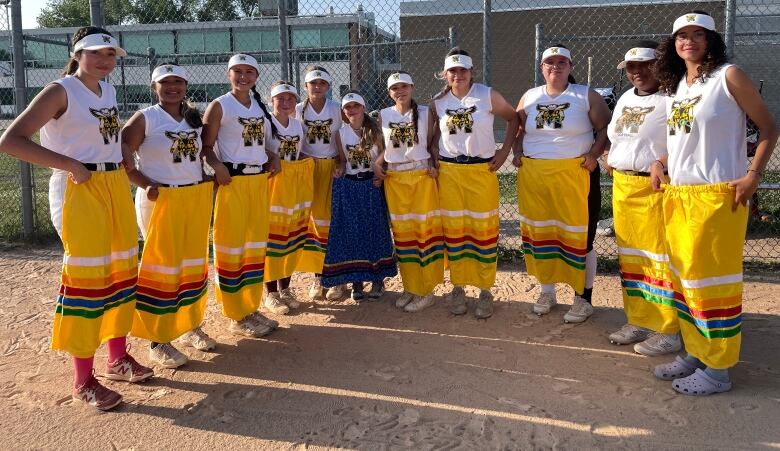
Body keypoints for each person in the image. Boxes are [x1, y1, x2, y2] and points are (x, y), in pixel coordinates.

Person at [0, 27, 153, 410]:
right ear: (78, 53)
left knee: (121, 271)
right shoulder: (60, 90)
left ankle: (117, 357)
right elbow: (11, 140)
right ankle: (83, 379)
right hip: (79, 188)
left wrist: (122, 155)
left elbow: (104, 136)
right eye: (97, 53)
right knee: (87, 280)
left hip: (113, 184)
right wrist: (69, 163)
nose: (105, 60)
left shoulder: (109, 91)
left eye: (111, 55)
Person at [650, 12, 777, 395]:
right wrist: (660, 162)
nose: (689, 41)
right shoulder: (678, 87)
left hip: (718, 196)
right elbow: (683, 142)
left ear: (711, 40)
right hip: (680, 196)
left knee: (713, 285)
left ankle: (718, 370)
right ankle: (694, 352)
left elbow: (769, 128)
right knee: (685, 281)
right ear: (673, 44)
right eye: (681, 35)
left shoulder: (728, 76)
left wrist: (754, 175)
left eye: (697, 34)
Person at [121, 63, 215, 369]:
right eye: (166, 82)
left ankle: (188, 325)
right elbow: (124, 157)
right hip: (159, 198)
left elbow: (199, 157)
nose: (173, 87)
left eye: (178, 82)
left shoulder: (193, 118)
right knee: (162, 268)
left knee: (191, 263)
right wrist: (145, 183)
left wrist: (202, 177)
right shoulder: (146, 118)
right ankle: (158, 340)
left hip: (191, 197)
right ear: (154, 87)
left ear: (186, 86)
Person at [513, 45, 611, 323]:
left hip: (575, 174)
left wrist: (594, 155)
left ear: (570, 66)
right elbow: (518, 128)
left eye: (561, 62)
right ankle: (547, 291)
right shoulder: (530, 96)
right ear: (542, 67)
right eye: (549, 62)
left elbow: (605, 127)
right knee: (542, 233)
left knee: (580, 235)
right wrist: (517, 152)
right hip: (536, 175)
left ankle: (583, 297)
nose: (555, 66)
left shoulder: (584, 95)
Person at [604, 42, 682, 356]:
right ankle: (639, 319)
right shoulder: (625, 97)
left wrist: (661, 160)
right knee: (632, 257)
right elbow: (617, 134)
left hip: (654, 188)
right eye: (632, 67)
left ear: (660, 64)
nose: (637, 72)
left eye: (645, 65)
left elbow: (684, 139)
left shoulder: (672, 98)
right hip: (624, 186)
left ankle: (668, 328)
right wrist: (613, 154)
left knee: (658, 259)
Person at [432, 48, 519, 319]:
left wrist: (505, 151)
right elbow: (433, 133)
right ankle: (458, 287)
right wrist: (434, 155)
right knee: (455, 231)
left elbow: (514, 117)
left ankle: (484, 289)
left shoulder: (486, 94)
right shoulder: (438, 101)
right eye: (452, 71)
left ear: (472, 72)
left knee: (482, 230)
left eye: (463, 70)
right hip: (450, 171)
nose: (458, 75)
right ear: (444, 74)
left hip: (480, 169)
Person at [201, 54, 281, 336]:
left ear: (257, 77)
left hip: (258, 181)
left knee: (253, 246)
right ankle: (235, 313)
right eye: (237, 71)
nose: (243, 76)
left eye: (249, 72)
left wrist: (272, 156)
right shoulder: (220, 105)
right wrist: (218, 166)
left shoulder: (258, 106)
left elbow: (260, 144)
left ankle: (249, 306)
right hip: (233, 182)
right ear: (228, 74)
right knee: (232, 247)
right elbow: (206, 146)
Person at [375, 72, 444, 312]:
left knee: (425, 233)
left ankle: (427, 289)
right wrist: (378, 163)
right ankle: (411, 287)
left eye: (403, 86)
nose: (399, 91)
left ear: (412, 87)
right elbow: (385, 148)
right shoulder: (383, 115)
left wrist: (435, 163)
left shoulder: (426, 113)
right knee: (404, 237)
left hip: (421, 177)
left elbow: (433, 143)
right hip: (395, 179)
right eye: (394, 88)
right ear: (389, 92)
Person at [322, 91, 398, 300]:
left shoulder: (375, 131)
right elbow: (342, 161)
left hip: (371, 185)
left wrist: (378, 169)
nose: (352, 110)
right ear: (344, 112)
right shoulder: (340, 133)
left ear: (363, 108)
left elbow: (386, 154)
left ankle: (377, 280)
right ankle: (356, 282)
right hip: (351, 186)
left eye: (356, 106)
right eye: (348, 107)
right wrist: (338, 169)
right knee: (353, 234)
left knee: (374, 231)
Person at [294, 66, 345, 301]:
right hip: (307, 168)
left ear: (328, 86)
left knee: (333, 222)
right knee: (313, 224)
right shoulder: (296, 110)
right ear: (306, 86)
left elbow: (346, 137)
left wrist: (342, 162)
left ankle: (337, 278)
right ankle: (318, 276)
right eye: (313, 83)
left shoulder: (336, 109)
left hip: (331, 167)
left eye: (322, 83)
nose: (317, 87)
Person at [263, 82, 314, 314]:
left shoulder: (297, 125)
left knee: (291, 237)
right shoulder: (265, 123)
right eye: (280, 99)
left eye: (290, 99)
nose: (285, 103)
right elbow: (258, 150)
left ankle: (285, 288)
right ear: (271, 100)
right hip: (273, 186)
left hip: (293, 186)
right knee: (273, 238)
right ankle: (271, 293)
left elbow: (298, 151)